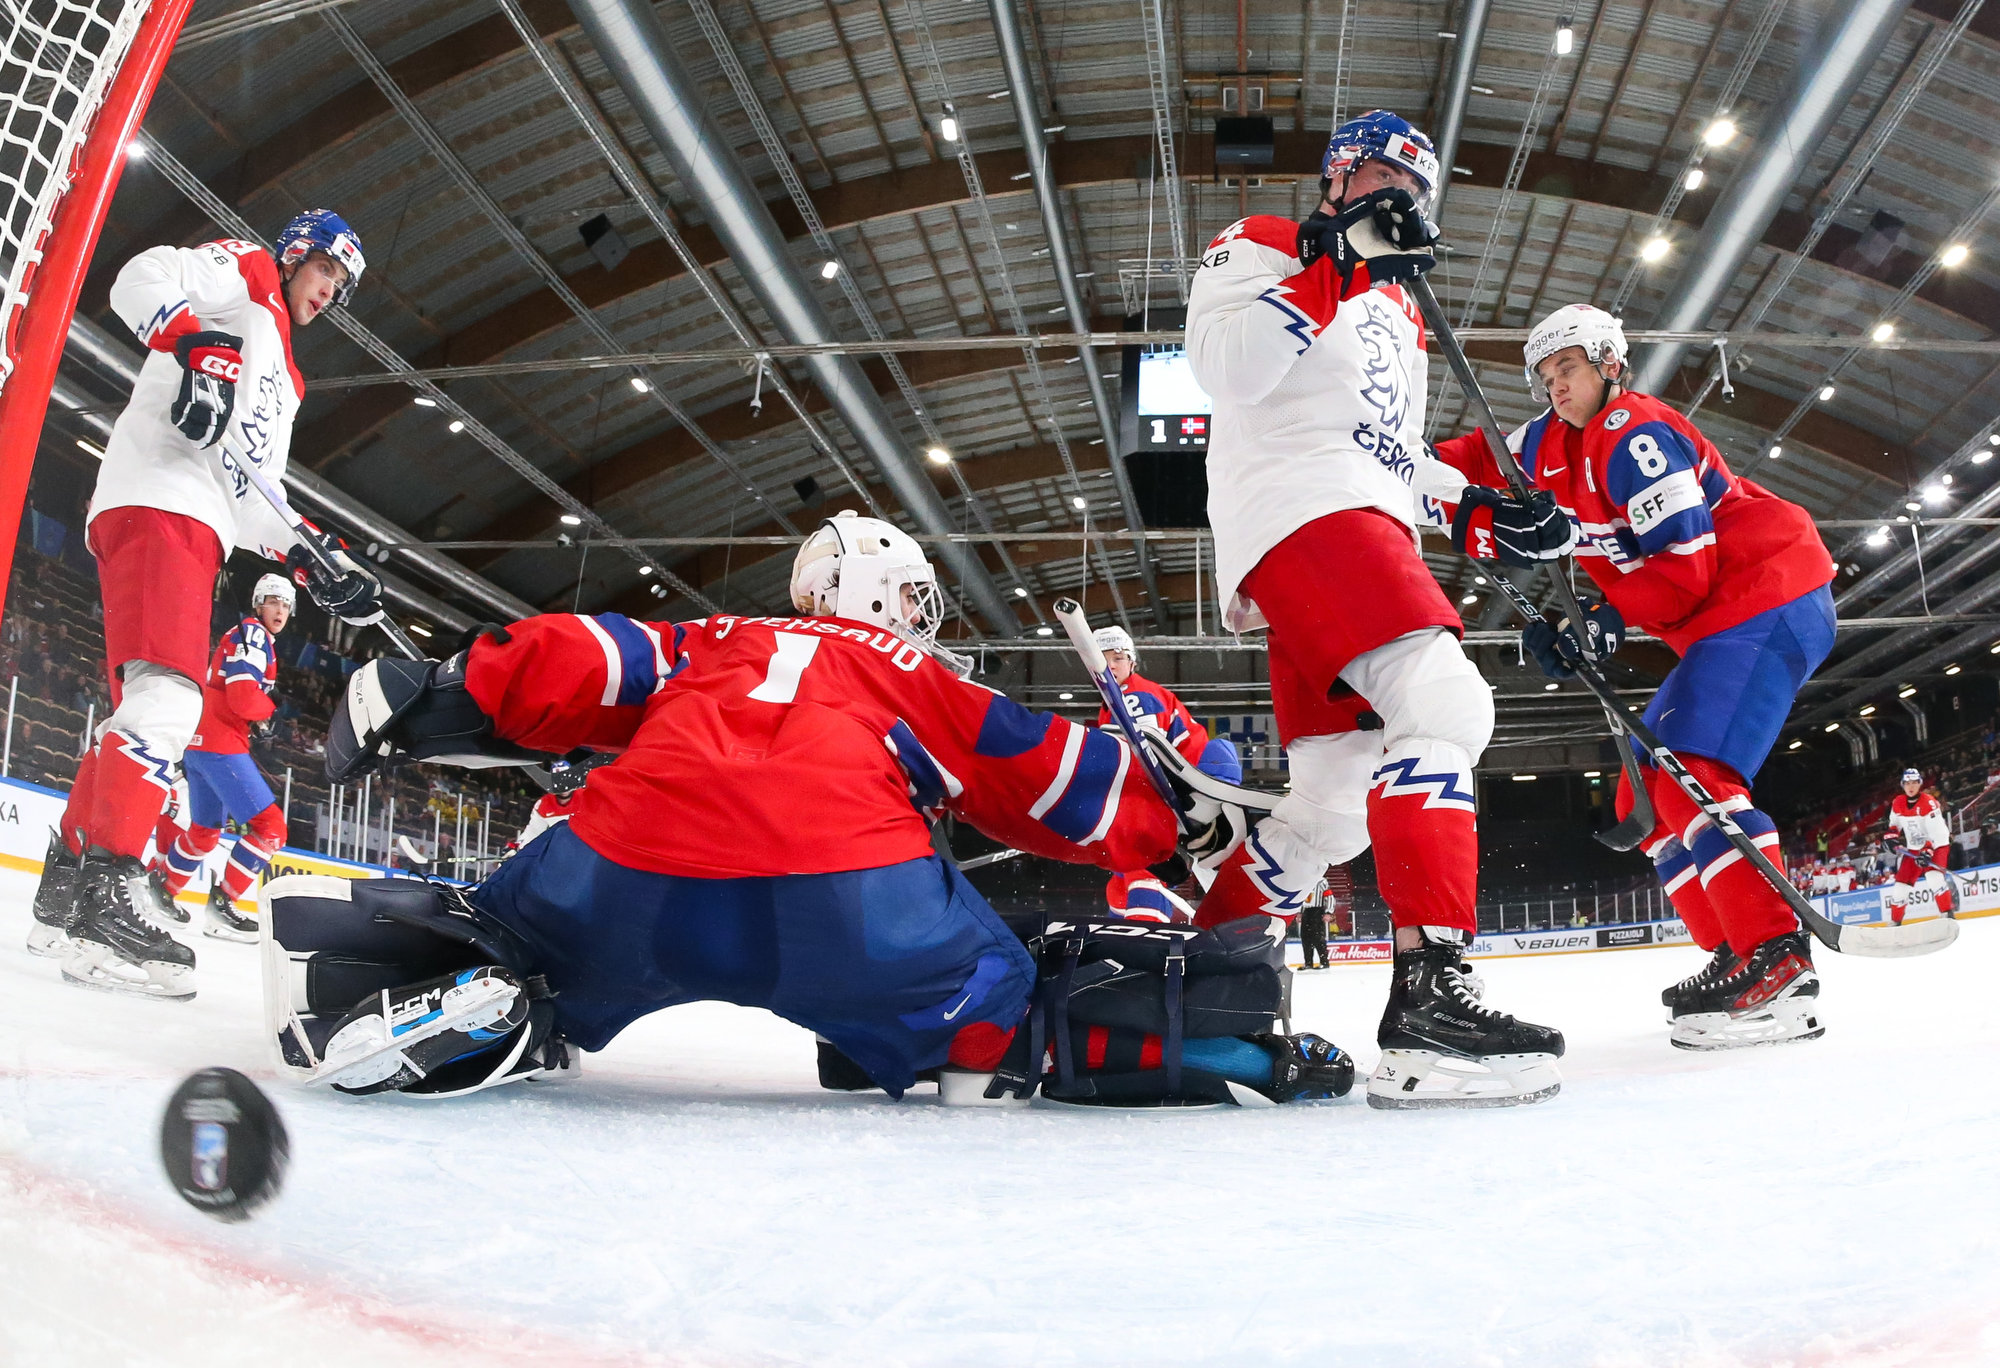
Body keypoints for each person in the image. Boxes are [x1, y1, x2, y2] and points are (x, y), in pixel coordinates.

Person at [262, 512, 1354, 1108]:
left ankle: (501, 1000)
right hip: (849, 903)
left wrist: (451, 686)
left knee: (513, 931)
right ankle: (1208, 1057)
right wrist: (1178, 822)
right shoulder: (913, 675)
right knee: (1003, 1002)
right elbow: (1043, 774)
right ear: (882, 596)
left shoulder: (718, 639)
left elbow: (586, 657)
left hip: (626, 871)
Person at [1182, 108, 1564, 1109]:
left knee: (1328, 812)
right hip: (1306, 512)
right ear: (1336, 179)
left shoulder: (1394, 308)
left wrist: (1475, 511)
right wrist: (1335, 264)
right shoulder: (1263, 241)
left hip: (1357, 515)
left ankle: (1195, 988)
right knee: (1446, 710)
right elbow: (1223, 370)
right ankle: (1432, 996)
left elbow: (1390, 452)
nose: (1399, 198)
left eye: (1415, 188)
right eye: (1380, 178)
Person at [1426, 302, 1835, 1052]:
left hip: (1769, 596)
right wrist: (1397, 464)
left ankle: (1778, 963)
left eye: (1570, 368)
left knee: (1694, 774)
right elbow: (1470, 462)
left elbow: (1684, 573)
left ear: (1611, 365)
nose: (1557, 386)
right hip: (1724, 620)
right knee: (1642, 791)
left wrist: (1601, 619)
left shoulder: (1633, 432)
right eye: (1546, 375)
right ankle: (1732, 952)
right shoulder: (1547, 443)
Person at [30, 210, 387, 1001]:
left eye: (343, 286)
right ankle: (105, 901)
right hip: (161, 497)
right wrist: (197, 341)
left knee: (146, 709)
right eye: (327, 269)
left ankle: (64, 894)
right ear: (298, 254)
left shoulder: (288, 379)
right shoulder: (248, 273)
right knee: (168, 700)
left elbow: (256, 493)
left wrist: (312, 555)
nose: (331, 290)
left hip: (202, 522)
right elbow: (138, 280)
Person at [155, 574, 296, 943]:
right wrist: (268, 713)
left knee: (203, 831)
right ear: (258, 603)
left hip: (200, 742)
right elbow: (242, 695)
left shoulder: (245, 632)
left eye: (285, 604)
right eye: (272, 601)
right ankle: (224, 904)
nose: (279, 609)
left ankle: (162, 891)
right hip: (221, 743)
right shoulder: (254, 635)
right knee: (271, 828)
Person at [1090, 623, 1240, 924]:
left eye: (1117, 658)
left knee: (1141, 864)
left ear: (1132, 661)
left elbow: (1146, 758)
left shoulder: (1134, 695)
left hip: (1188, 789)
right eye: (1103, 659)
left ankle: (1144, 942)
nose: (1110, 665)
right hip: (1190, 787)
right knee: (1121, 874)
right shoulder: (1113, 700)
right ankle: (1120, 934)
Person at [1885, 767, 1956, 924]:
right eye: (1907, 783)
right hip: (1914, 849)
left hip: (1938, 845)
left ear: (1920, 784)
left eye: (1914, 782)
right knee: (1899, 889)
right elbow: (1894, 824)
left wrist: (1927, 851)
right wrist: (1890, 837)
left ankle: (1947, 915)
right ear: (1903, 785)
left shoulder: (1929, 803)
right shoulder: (1898, 802)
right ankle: (1894, 923)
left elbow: (1935, 834)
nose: (1911, 786)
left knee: (1934, 878)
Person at [1297, 875, 1331, 969]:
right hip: (1306, 911)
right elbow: (1300, 898)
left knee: (1318, 937)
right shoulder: (1303, 881)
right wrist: (1300, 912)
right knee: (1305, 938)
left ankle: (1324, 962)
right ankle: (1308, 963)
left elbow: (1329, 896)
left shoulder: (1321, 881)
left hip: (1317, 910)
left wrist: (1328, 911)